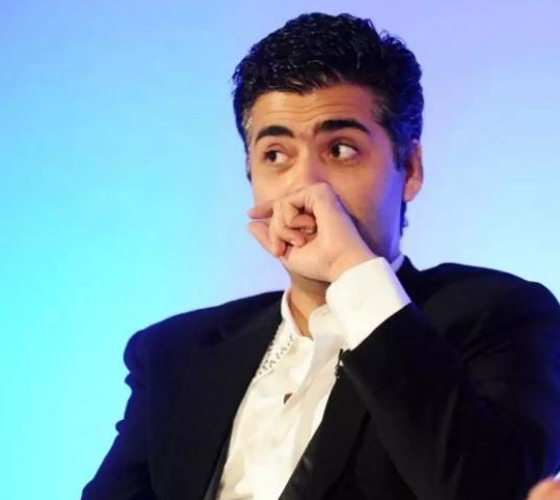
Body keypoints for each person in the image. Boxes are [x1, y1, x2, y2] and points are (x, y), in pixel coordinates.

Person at [82, 12, 560, 500]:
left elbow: (495, 490)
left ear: (411, 169)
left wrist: (351, 272)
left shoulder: (501, 317)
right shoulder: (174, 352)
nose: (306, 186)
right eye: (275, 155)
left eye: (341, 150)